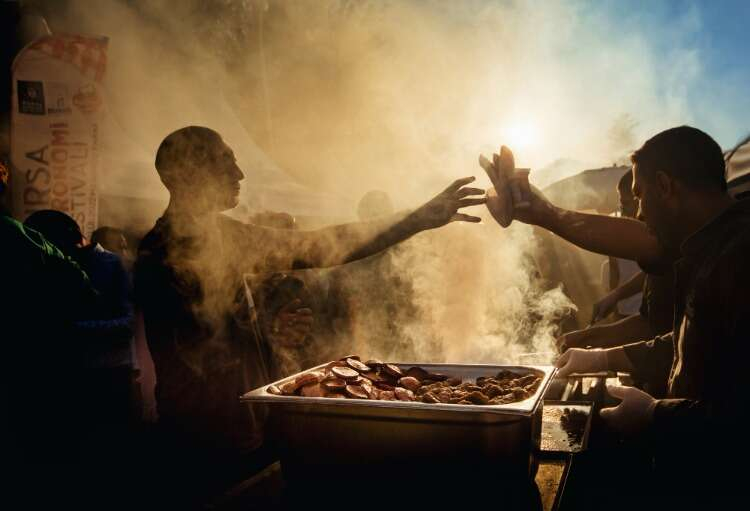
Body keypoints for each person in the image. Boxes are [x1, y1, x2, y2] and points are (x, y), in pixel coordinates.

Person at [134, 126, 485, 505]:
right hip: (204, 443)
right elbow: (195, 355)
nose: (240, 174)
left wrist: (417, 219)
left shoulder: (221, 234)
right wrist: (264, 332)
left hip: (248, 430)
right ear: (190, 172)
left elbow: (316, 247)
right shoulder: (163, 251)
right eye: (226, 162)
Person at [484, 126, 748, 504]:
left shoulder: (740, 256)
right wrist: (601, 356)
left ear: (665, 186)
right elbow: (692, 342)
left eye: (639, 196)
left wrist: (656, 415)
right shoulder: (706, 248)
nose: (638, 213)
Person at [24, 210, 138, 447]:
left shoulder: (117, 265)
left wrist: (72, 330)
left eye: (48, 242)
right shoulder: (58, 266)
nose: (46, 250)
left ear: (72, 236)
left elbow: (129, 324)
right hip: (71, 377)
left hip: (110, 375)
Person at [556, 170, 674, 354]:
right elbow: (646, 319)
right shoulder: (666, 249)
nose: (638, 213)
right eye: (621, 203)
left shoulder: (685, 248)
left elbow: (653, 334)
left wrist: (541, 212)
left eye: (628, 202)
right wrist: (615, 297)